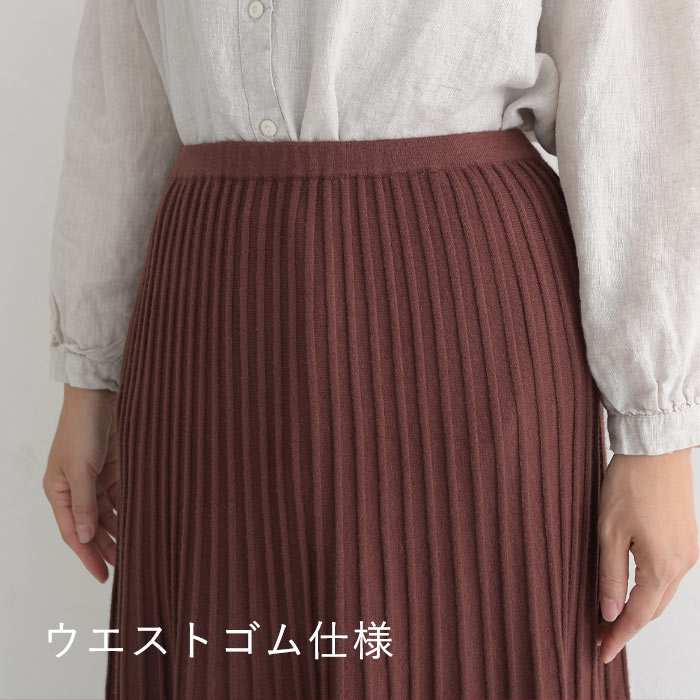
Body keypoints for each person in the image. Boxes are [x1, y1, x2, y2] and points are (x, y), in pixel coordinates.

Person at [43, 1, 700, 699]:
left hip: (470, 328)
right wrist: (89, 376)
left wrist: (654, 431)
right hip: (209, 327)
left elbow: (626, 60)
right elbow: (123, 84)